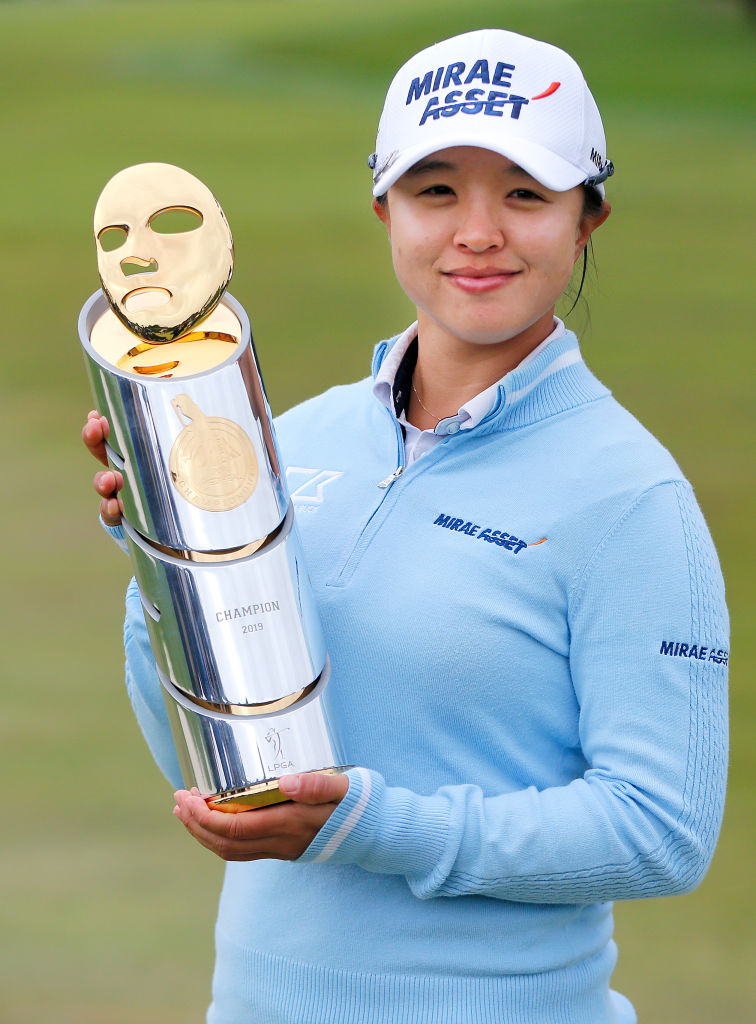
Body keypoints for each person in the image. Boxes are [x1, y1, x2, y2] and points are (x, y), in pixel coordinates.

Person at [82, 28, 729, 1024]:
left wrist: (374, 823)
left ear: (587, 218)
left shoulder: (629, 496)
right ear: (384, 206)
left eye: (524, 194)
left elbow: (661, 830)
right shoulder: (286, 441)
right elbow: (212, 769)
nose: (479, 231)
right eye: (437, 191)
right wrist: (163, 562)